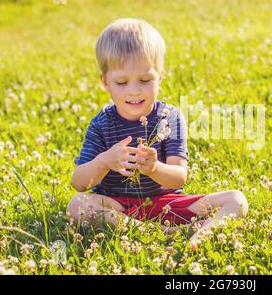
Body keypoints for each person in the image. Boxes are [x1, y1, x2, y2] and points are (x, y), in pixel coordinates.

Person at [66, 18, 248, 249]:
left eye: (145, 80)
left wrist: (154, 169)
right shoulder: (101, 124)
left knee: (236, 199)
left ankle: (204, 232)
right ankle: (162, 233)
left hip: (168, 204)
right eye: (121, 82)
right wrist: (105, 161)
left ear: (160, 76)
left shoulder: (169, 117)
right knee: (77, 206)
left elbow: (179, 177)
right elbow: (80, 183)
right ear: (105, 82)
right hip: (119, 208)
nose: (134, 90)